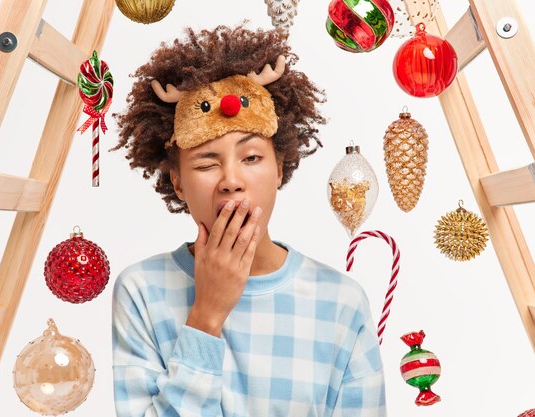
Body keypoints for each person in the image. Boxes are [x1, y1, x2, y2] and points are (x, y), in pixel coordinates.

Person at [110, 24, 386, 416]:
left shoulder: (341, 301)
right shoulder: (141, 291)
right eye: (207, 162)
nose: (231, 182)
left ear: (280, 168)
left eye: (252, 158)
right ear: (178, 183)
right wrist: (206, 315)